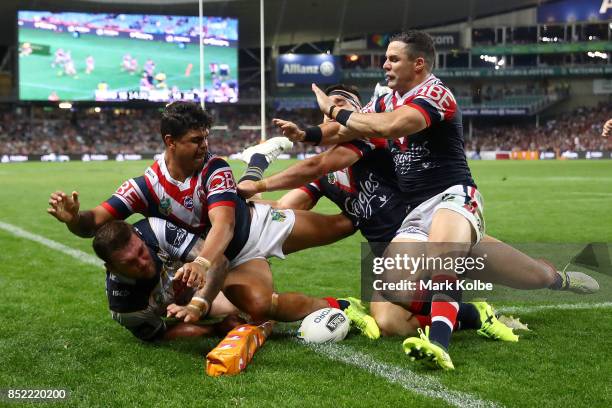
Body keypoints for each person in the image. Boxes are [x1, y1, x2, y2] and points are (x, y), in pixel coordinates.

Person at [243, 78, 599, 368]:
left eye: (347, 107)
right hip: (399, 256)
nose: (339, 115)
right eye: (334, 108)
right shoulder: (325, 182)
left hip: (434, 229)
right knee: (387, 322)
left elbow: (314, 164)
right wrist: (245, 192)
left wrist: (258, 177)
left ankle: (561, 278)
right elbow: (283, 210)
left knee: (535, 277)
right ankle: (475, 315)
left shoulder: (367, 143)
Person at [47, 101, 378, 337]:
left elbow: (225, 224)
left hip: (256, 228)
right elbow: (94, 223)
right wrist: (74, 219)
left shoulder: (213, 168)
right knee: (261, 307)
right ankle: (345, 306)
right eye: (196, 140)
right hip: (226, 260)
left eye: (206, 137)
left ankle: (313, 176)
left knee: (346, 225)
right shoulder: (144, 186)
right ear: (170, 142)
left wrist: (202, 263)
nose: (205, 146)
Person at [93, 218, 241, 342]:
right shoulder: (125, 307)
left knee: (244, 304)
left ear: (140, 238)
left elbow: (218, 261)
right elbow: (161, 333)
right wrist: (215, 329)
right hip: (173, 307)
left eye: (141, 251)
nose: (142, 263)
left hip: (195, 288)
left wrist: (198, 304)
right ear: (112, 268)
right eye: (130, 263)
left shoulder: (155, 230)